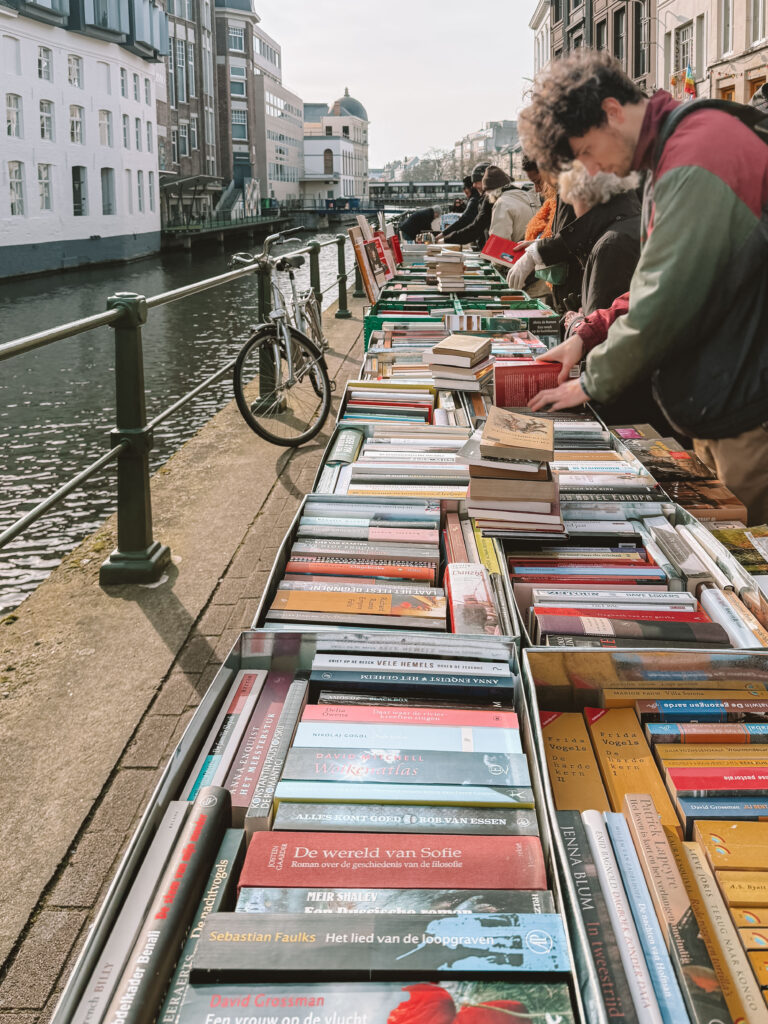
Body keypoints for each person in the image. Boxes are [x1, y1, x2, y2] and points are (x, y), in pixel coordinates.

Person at [519, 49, 768, 522]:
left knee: (745, 570)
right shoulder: (677, 153)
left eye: (587, 151)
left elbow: (666, 296)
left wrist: (591, 382)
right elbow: (661, 277)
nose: (590, 171)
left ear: (612, 111)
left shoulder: (697, 155)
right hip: (728, 397)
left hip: (750, 407)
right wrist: (588, 334)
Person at [483, 165, 540, 243]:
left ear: (491, 192)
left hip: (518, 252)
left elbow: (499, 242)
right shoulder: (530, 197)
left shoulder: (502, 203)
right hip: (537, 250)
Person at [442, 162, 492, 247]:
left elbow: (472, 225)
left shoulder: (479, 200)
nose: (474, 185)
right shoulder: (485, 199)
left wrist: (444, 237)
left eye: (476, 182)